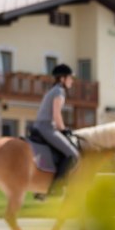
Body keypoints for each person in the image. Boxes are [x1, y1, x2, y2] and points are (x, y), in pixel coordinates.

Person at [32, 64, 80, 195]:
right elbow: (56, 114)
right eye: (70, 78)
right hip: (47, 127)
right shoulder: (59, 91)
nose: (72, 81)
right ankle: (56, 187)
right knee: (73, 154)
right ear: (62, 78)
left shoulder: (53, 90)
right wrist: (63, 130)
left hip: (40, 126)